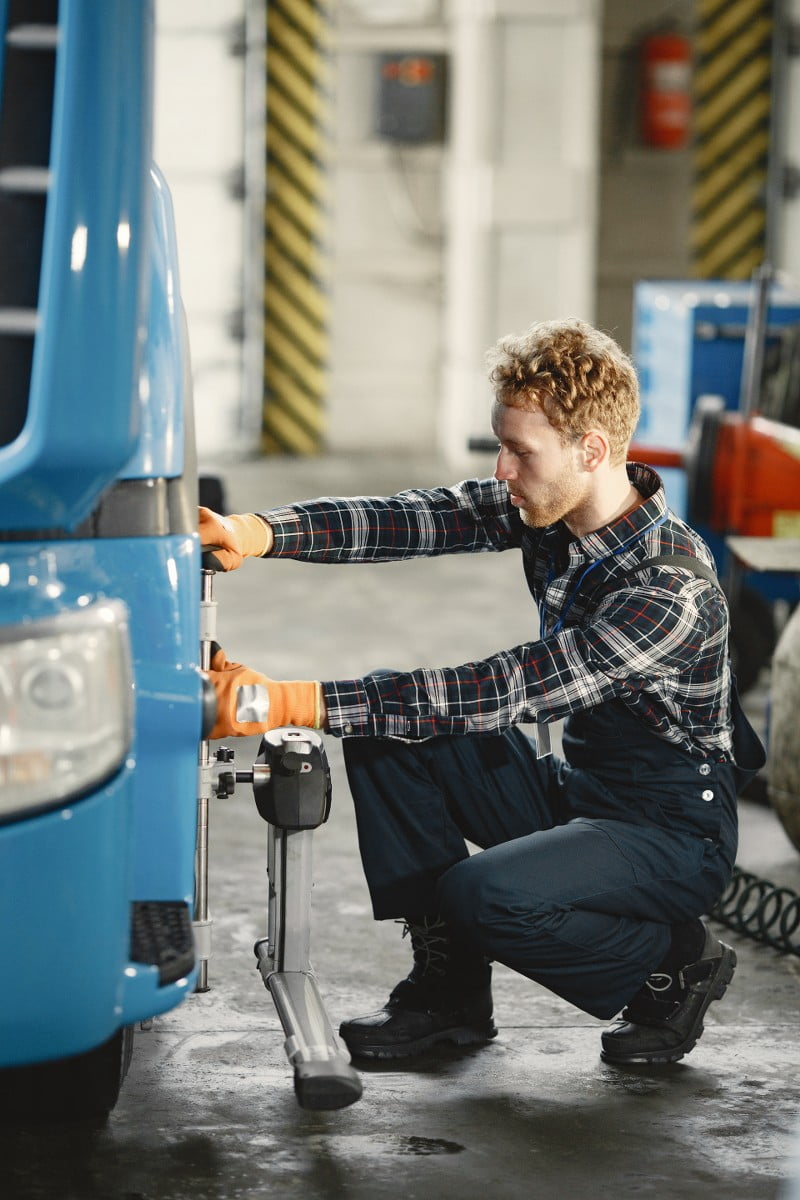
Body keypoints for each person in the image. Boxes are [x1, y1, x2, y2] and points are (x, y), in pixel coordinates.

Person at [199, 318, 764, 1067]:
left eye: (520, 452)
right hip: (587, 792)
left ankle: (673, 963)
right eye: (501, 447)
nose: (503, 469)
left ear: (592, 450)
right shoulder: (556, 510)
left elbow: (506, 688)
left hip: (671, 832)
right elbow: (414, 518)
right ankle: (450, 997)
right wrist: (257, 530)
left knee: (480, 892)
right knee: (386, 720)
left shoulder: (668, 591)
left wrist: (285, 703)